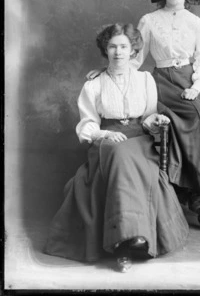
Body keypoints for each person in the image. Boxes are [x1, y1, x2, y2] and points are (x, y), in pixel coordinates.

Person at [87, 0, 200, 235]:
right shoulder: (149, 21)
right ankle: (192, 200)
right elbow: (136, 58)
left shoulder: (195, 23)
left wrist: (197, 85)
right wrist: (107, 71)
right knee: (165, 123)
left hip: (191, 83)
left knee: (197, 119)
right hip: (162, 83)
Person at [44, 23, 189, 273]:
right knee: (117, 152)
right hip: (106, 141)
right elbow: (88, 124)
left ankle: (128, 240)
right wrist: (104, 133)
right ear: (105, 50)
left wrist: (156, 121)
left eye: (124, 46)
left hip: (139, 140)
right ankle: (127, 241)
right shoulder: (94, 84)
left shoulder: (145, 80)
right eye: (112, 47)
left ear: (133, 50)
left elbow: (148, 117)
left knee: (125, 154)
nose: (118, 52)